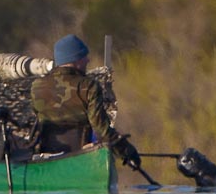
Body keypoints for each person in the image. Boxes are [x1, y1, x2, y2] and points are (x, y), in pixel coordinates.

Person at [30, 34, 141, 169]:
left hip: (47, 163)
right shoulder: (89, 86)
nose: (87, 60)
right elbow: (101, 130)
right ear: (75, 59)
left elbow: (36, 124)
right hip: (82, 160)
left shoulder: (37, 86)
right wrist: (126, 151)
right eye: (84, 56)